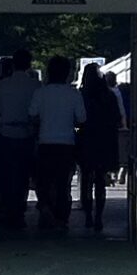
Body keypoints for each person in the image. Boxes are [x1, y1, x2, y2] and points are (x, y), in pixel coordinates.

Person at [28, 56, 85, 234]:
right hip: (67, 143)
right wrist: (73, 128)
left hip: (45, 142)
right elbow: (82, 118)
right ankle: (61, 217)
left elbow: (32, 114)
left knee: (44, 180)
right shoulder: (74, 94)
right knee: (63, 183)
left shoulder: (40, 93)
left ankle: (45, 206)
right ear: (67, 73)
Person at [0, 47, 39, 234]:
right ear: (29, 64)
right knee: (23, 175)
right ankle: (19, 211)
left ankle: (9, 211)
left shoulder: (2, 85)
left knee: (6, 175)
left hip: (6, 133)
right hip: (26, 133)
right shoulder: (35, 85)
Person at [77, 63, 123, 234]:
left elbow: (77, 121)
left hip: (85, 141)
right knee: (100, 181)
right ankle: (98, 217)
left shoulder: (82, 96)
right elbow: (117, 119)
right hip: (104, 141)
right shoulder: (109, 96)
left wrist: (77, 132)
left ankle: (88, 214)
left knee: (86, 180)